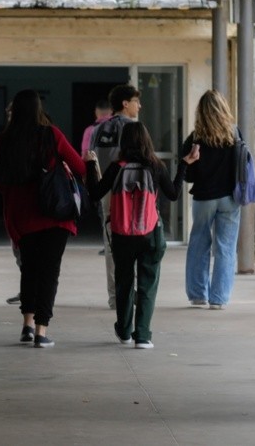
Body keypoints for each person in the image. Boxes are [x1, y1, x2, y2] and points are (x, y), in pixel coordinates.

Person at [85, 121, 200, 349]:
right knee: (148, 283)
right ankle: (143, 336)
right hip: (150, 234)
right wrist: (185, 164)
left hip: (121, 235)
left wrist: (90, 165)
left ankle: (125, 330)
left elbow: (95, 193)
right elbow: (174, 193)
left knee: (124, 282)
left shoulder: (117, 166)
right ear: (147, 140)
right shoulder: (155, 166)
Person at [0, 89, 87, 348]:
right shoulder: (51, 135)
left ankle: (26, 326)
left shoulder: (5, 140)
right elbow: (79, 167)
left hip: (21, 217)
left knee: (29, 270)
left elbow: (0, 182)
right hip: (53, 214)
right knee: (49, 273)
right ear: (38, 109)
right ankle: (41, 331)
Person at [180, 90, 241, 310]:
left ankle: (198, 295)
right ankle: (219, 298)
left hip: (204, 198)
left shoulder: (196, 137)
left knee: (199, 243)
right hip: (230, 198)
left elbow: (186, 173)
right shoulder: (234, 135)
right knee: (225, 247)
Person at [92, 85, 142, 310]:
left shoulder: (99, 129)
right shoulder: (134, 128)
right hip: (131, 192)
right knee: (136, 241)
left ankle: (115, 297)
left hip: (107, 190)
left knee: (111, 243)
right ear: (125, 103)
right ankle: (132, 292)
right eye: (136, 101)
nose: (139, 106)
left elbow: (92, 161)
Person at [81, 99, 114, 257]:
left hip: (99, 176)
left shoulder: (90, 130)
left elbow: (85, 154)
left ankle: (107, 242)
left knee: (104, 211)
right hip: (118, 175)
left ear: (97, 112)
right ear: (111, 112)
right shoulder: (121, 127)